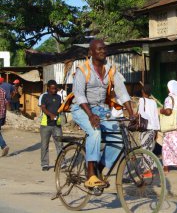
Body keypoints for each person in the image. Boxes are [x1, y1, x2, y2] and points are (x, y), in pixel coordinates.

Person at [71, 39, 134, 188]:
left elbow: (122, 92)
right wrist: (90, 115)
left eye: (104, 49)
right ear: (91, 52)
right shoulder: (83, 69)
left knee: (118, 138)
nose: (102, 51)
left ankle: (99, 168)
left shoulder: (111, 70)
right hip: (82, 109)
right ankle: (90, 174)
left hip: (102, 110)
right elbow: (79, 95)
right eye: (99, 49)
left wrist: (132, 113)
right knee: (95, 132)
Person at [40, 80, 63, 171]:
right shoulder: (44, 96)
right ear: (48, 88)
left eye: (55, 88)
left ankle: (61, 162)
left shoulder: (58, 97)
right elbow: (43, 108)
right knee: (44, 145)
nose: (54, 90)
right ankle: (45, 164)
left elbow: (61, 107)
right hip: (46, 125)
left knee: (59, 144)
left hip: (56, 124)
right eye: (52, 88)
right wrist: (50, 115)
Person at [138, 84, 160, 178]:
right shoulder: (154, 102)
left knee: (144, 149)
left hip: (145, 128)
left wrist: (147, 119)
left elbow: (140, 113)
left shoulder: (141, 100)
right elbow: (156, 116)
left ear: (143, 91)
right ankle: (150, 168)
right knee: (149, 149)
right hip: (152, 129)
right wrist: (156, 130)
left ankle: (148, 170)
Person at [0, 87, 9, 157]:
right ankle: (3, 146)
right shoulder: (3, 91)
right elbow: (6, 103)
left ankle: (3, 145)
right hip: (1, 115)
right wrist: (4, 116)